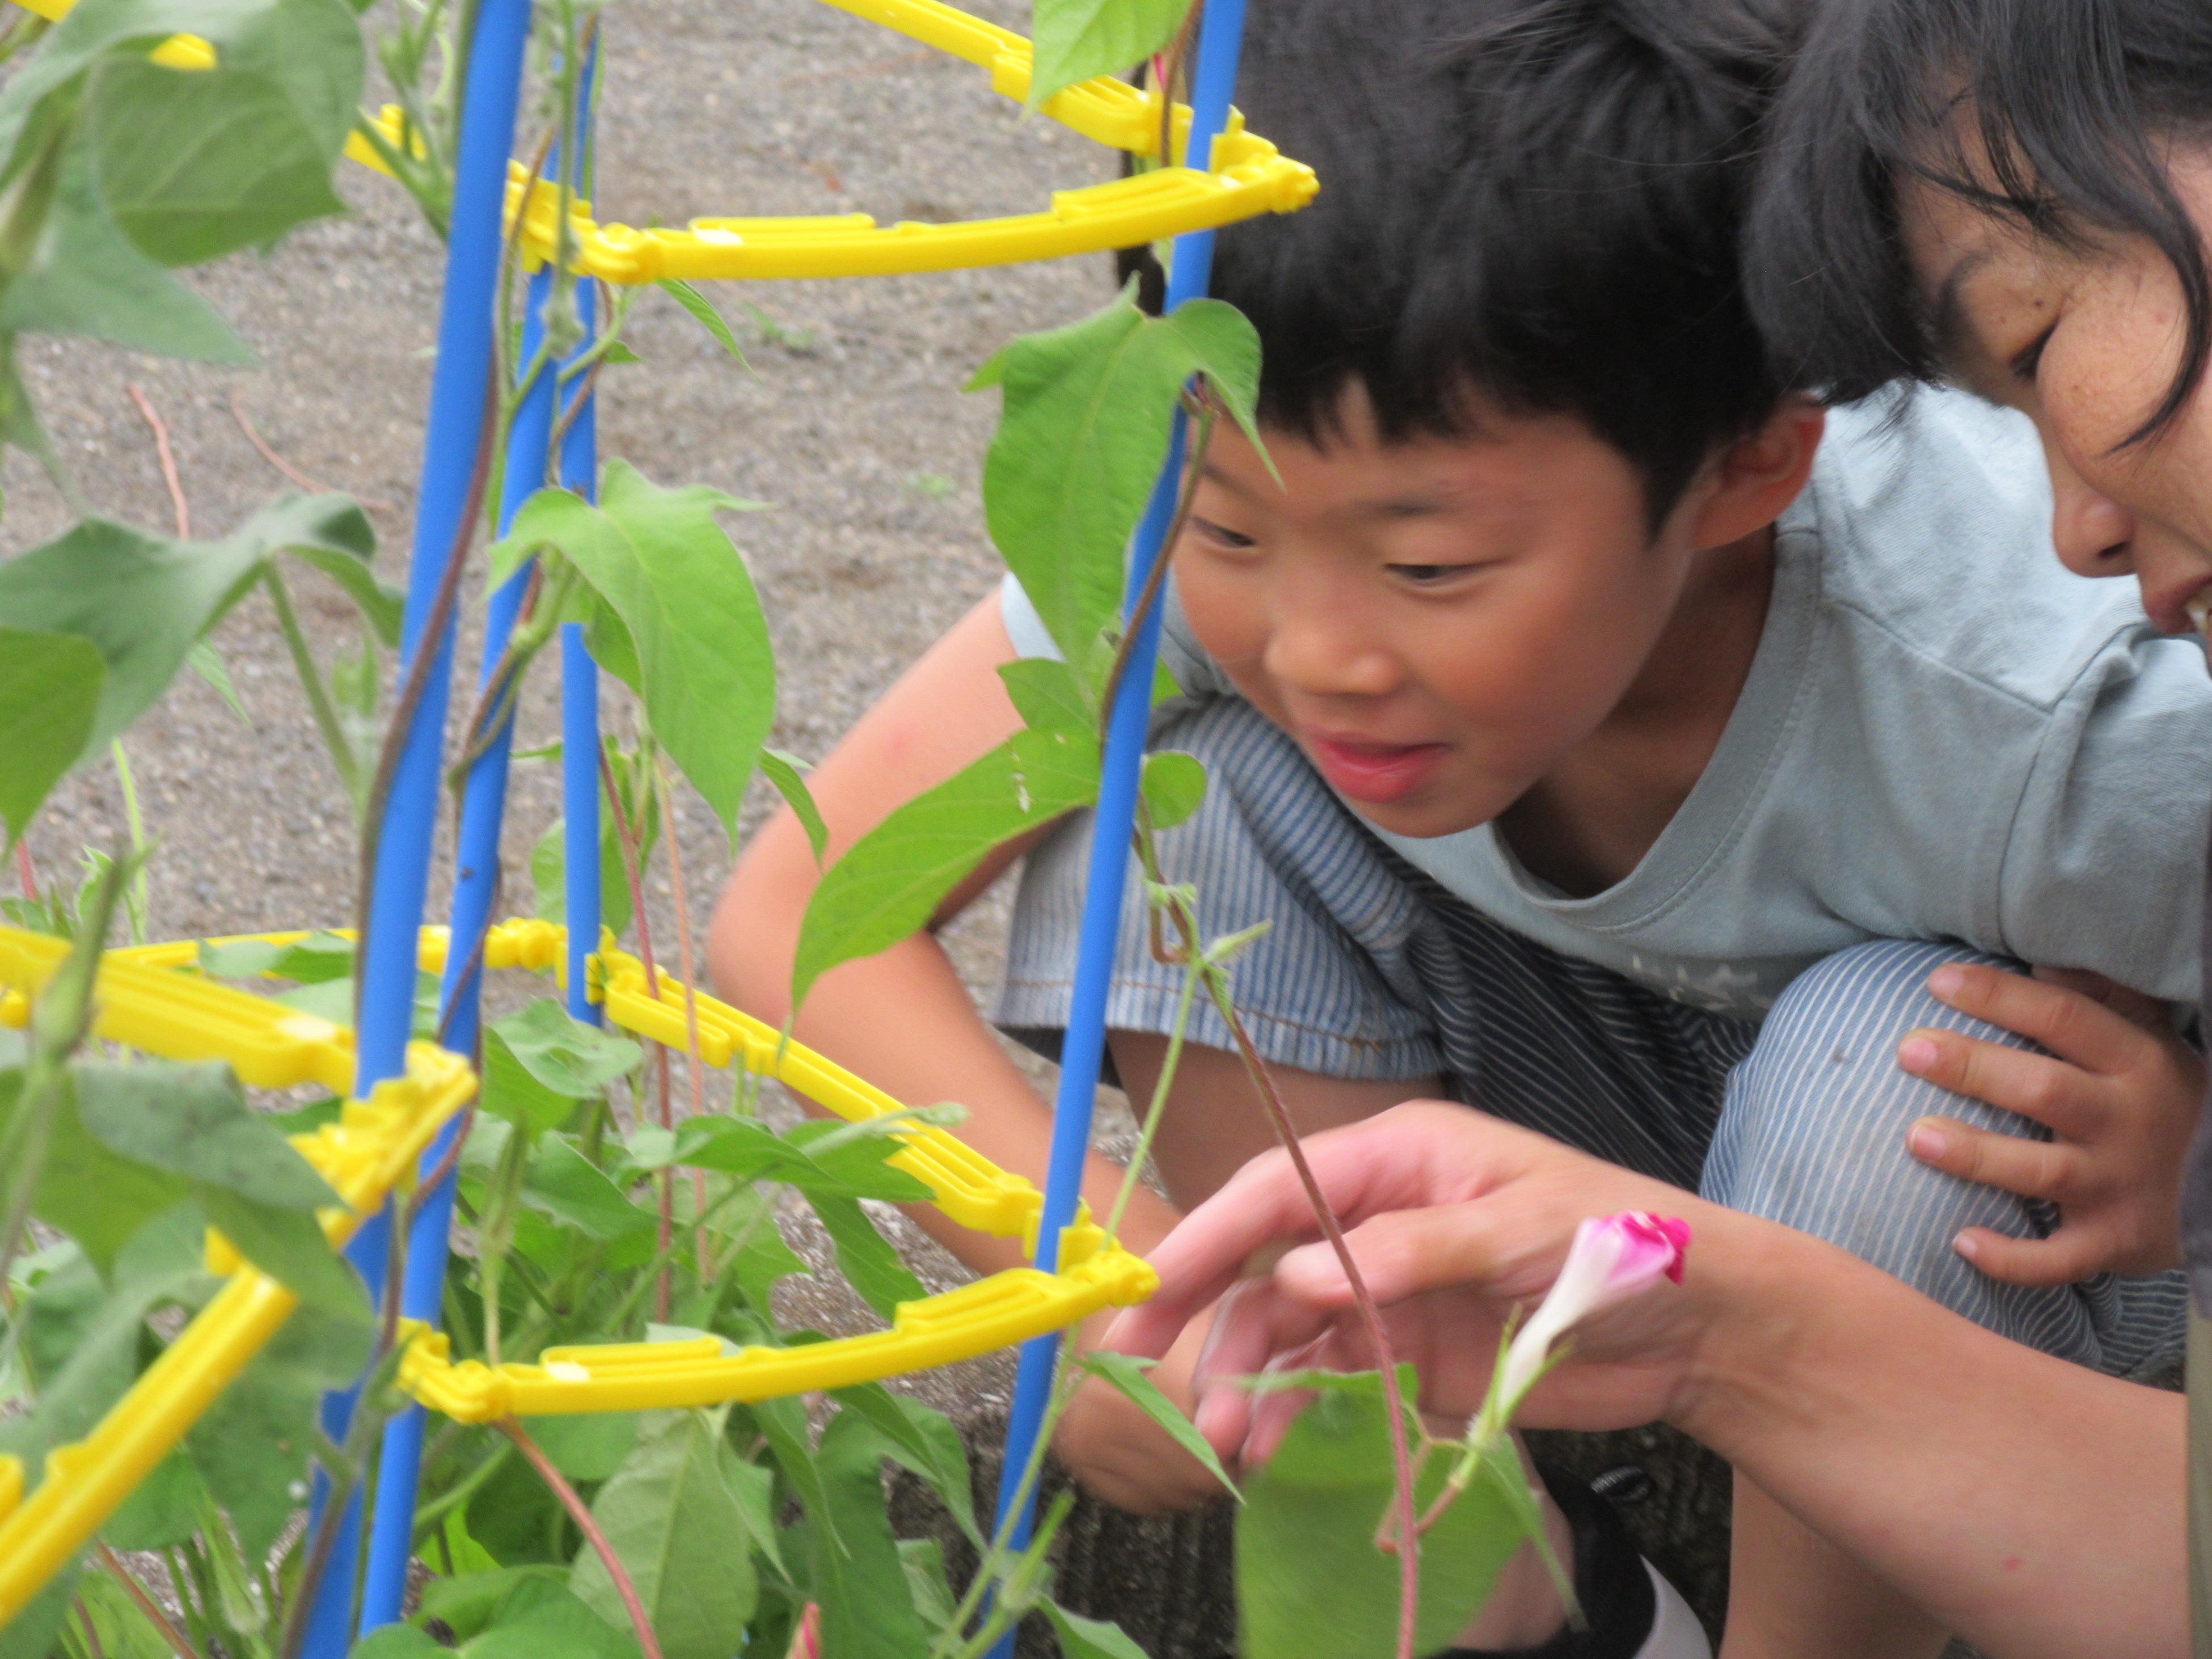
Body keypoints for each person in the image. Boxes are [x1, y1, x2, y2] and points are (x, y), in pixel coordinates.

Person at [710, 0, 2210, 1651]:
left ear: (1743, 470)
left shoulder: (2062, 732)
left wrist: (2188, 1126)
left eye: (1431, 572)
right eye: (1220, 522)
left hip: (1962, 1251)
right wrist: (1143, 1303)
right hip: (1596, 1121)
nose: (1317, 643)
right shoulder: (1295, 516)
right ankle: (1473, 1575)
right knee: (1184, 819)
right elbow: (795, 924)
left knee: (1894, 1066)